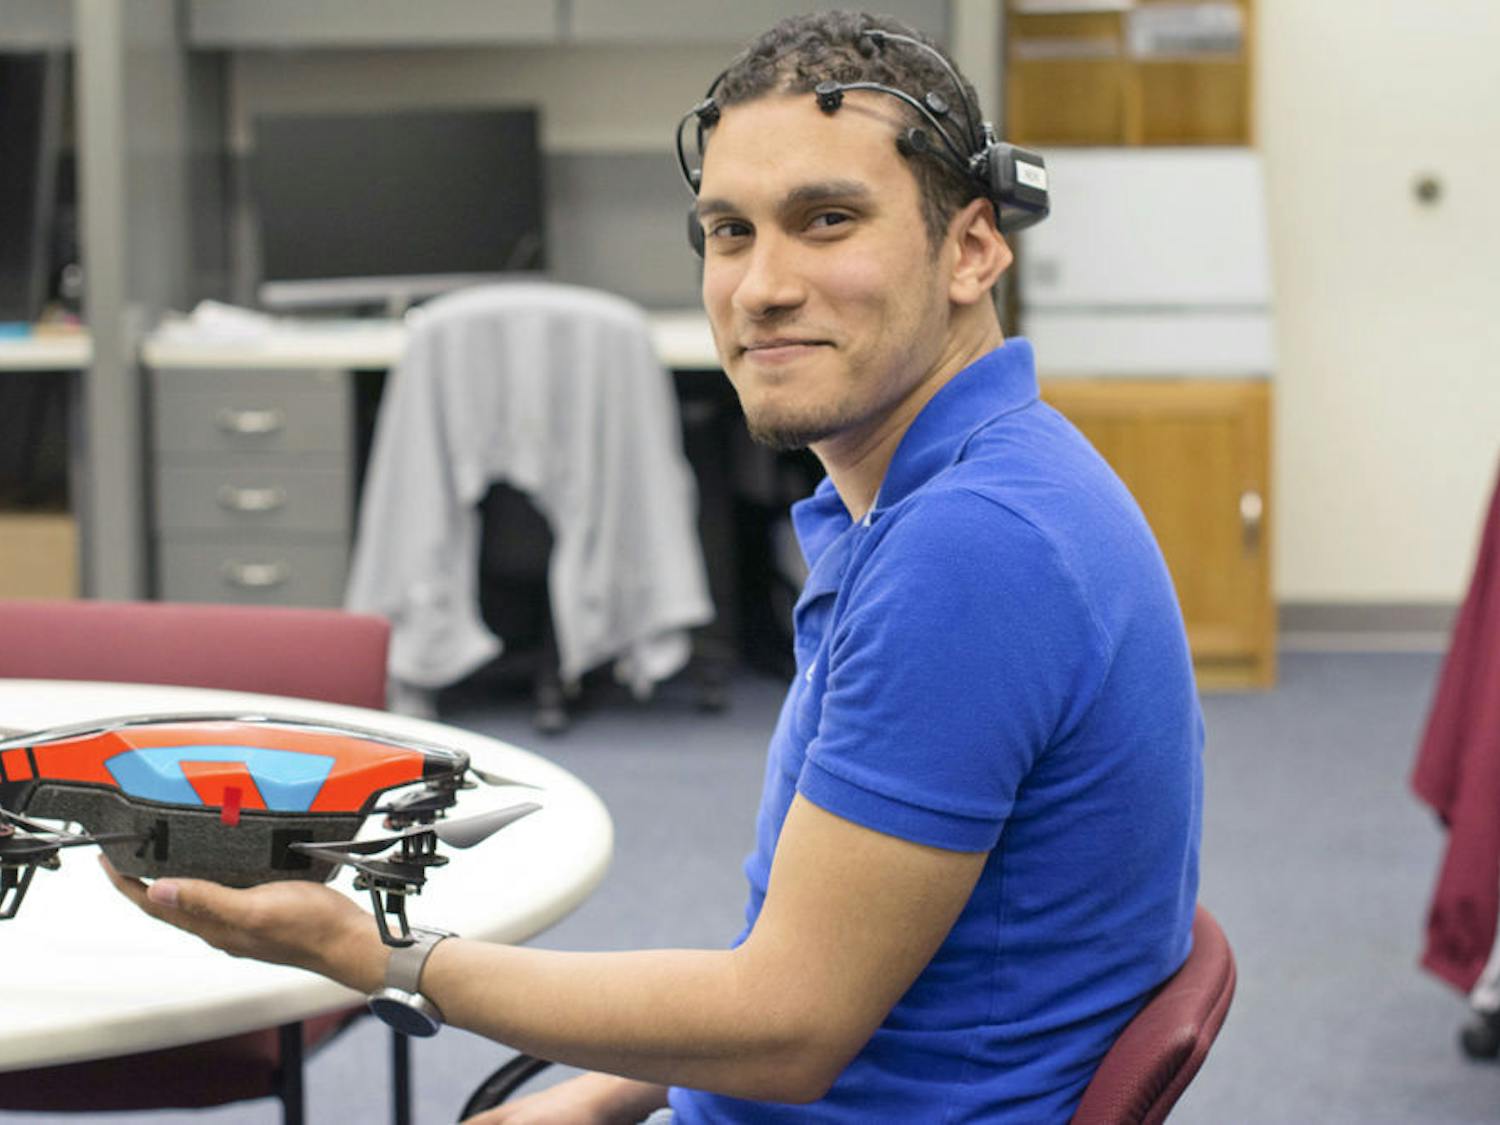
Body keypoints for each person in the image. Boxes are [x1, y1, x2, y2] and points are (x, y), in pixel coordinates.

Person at [107, 12, 1203, 1122]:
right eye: (729, 232)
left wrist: (376, 951)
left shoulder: (971, 551)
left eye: (827, 221)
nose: (760, 286)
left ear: (971, 248)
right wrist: (599, 1099)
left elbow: (788, 1025)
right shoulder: (961, 485)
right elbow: (852, 948)